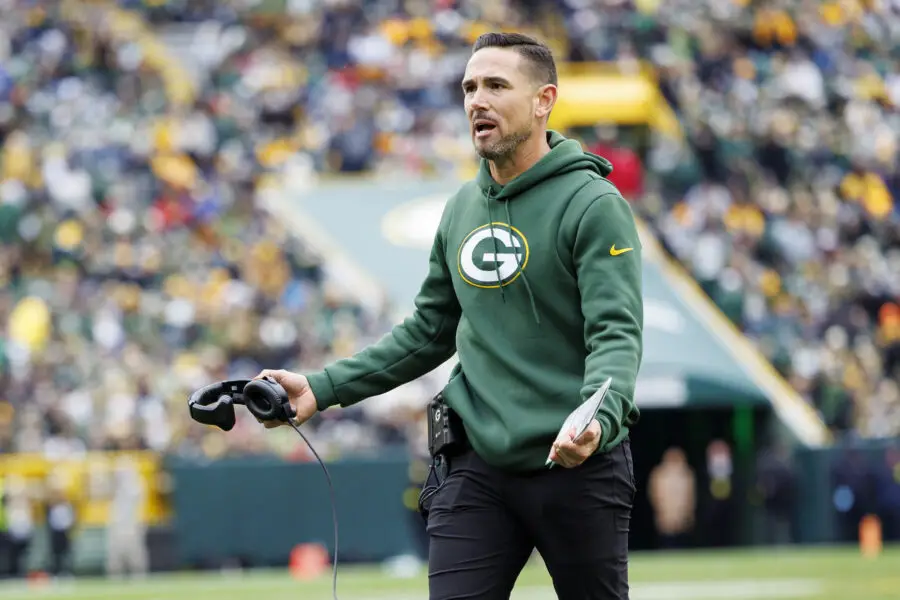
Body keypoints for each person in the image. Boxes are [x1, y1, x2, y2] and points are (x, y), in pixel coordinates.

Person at [256, 32, 644, 600]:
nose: (476, 101)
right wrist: (321, 387)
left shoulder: (594, 204)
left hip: (576, 463)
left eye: (495, 85)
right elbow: (428, 332)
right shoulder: (461, 206)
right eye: (468, 88)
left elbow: (616, 335)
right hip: (477, 467)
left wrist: (598, 419)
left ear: (544, 100)